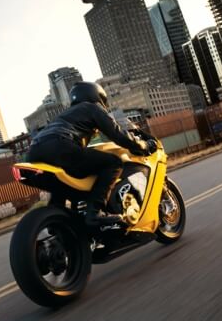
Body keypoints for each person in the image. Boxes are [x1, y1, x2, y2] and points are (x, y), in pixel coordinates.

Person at [27, 82, 155, 225]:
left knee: (61, 185)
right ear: (97, 96)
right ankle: (95, 213)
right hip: (59, 145)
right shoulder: (91, 108)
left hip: (34, 152)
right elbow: (118, 134)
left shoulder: (65, 114)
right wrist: (143, 145)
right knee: (113, 163)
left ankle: (55, 223)